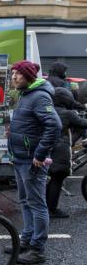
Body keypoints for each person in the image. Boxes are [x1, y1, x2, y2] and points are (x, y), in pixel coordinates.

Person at [8, 60, 61, 265]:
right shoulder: (26, 94)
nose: (14, 77)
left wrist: (39, 155)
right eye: (13, 73)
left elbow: (54, 126)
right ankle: (27, 240)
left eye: (18, 74)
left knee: (37, 205)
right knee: (25, 201)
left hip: (32, 162)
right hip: (21, 158)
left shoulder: (38, 96)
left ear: (28, 76)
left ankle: (37, 249)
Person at [46, 87, 87, 218]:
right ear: (66, 99)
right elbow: (82, 123)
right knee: (58, 178)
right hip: (60, 149)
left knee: (53, 178)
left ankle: (47, 207)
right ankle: (52, 209)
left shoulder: (49, 110)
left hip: (47, 148)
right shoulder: (67, 113)